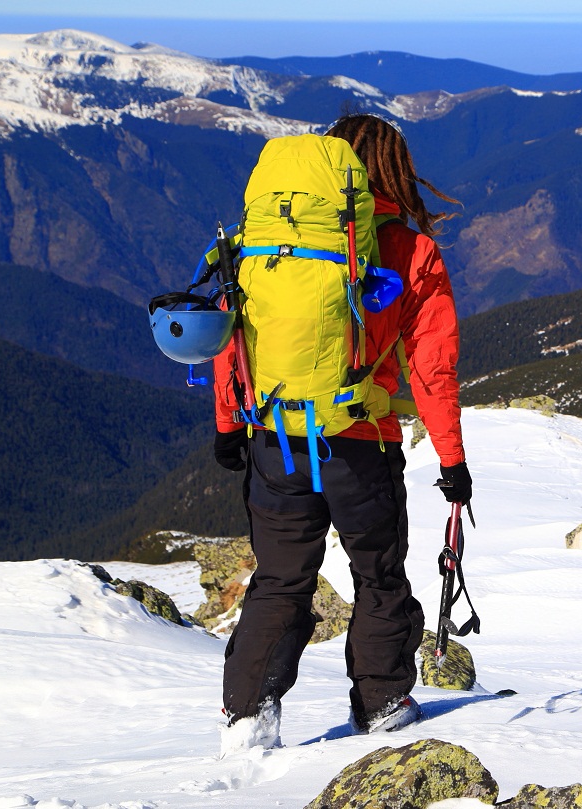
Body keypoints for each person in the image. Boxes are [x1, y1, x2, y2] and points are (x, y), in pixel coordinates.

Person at [211, 114, 471, 753]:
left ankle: (248, 716)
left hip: (274, 434)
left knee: (279, 577)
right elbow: (431, 367)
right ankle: (381, 702)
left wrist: (228, 421)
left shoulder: (268, 238)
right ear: (393, 170)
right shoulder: (409, 251)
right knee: (378, 576)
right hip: (363, 442)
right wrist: (451, 457)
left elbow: (230, 332)